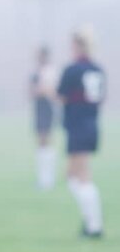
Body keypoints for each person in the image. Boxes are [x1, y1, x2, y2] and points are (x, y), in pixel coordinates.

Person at [57, 27, 105, 238]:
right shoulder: (98, 69)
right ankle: (90, 223)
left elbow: (62, 96)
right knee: (74, 174)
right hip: (92, 124)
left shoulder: (73, 70)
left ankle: (94, 226)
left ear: (77, 46)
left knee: (80, 175)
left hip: (78, 125)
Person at [30, 46, 59, 190]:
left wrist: (39, 90)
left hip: (47, 108)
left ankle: (48, 179)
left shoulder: (49, 71)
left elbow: (50, 90)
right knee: (41, 142)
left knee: (46, 140)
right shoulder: (38, 71)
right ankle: (43, 178)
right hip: (39, 108)